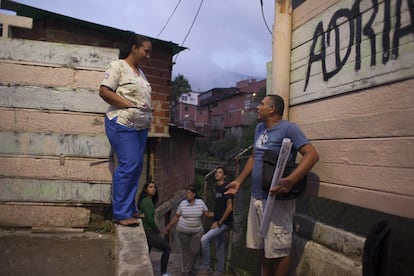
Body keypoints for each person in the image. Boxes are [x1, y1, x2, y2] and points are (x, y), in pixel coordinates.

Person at [226, 95, 319, 276]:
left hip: (277, 200)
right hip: (257, 197)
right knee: (263, 247)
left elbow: (312, 155)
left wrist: (291, 179)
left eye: (261, 104)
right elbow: (254, 157)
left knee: (279, 250)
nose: (257, 107)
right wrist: (239, 181)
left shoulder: (289, 129)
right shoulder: (260, 128)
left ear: (272, 109)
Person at [99, 34, 153, 227]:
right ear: (134, 48)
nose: (148, 56)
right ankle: (121, 213)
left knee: (136, 167)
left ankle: (129, 208)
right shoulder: (118, 66)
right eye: (146, 51)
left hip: (140, 128)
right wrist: (128, 105)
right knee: (129, 165)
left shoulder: (140, 73)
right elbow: (104, 91)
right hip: (121, 123)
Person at [163, 187, 213, 276]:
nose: (187, 195)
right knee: (185, 251)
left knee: (195, 251)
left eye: (189, 193)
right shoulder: (183, 204)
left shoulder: (200, 203)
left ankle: (190, 267)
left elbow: (207, 214)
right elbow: (177, 216)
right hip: (183, 231)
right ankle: (186, 271)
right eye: (187, 193)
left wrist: (219, 215)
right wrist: (168, 226)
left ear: (194, 194)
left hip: (196, 232)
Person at [200, 167, 233, 275]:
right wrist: (214, 218)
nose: (216, 174)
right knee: (220, 245)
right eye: (216, 172)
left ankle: (206, 267)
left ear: (224, 176)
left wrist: (219, 222)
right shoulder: (217, 188)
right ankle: (219, 270)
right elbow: (220, 208)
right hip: (218, 221)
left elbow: (229, 207)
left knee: (204, 239)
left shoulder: (226, 188)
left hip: (224, 223)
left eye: (219, 173)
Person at [138, 181, 171, 276]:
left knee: (147, 252)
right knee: (167, 248)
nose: (153, 189)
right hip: (149, 231)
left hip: (148, 231)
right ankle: (163, 273)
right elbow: (149, 219)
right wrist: (158, 230)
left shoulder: (150, 201)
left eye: (154, 187)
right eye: (150, 187)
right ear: (145, 189)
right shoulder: (146, 202)